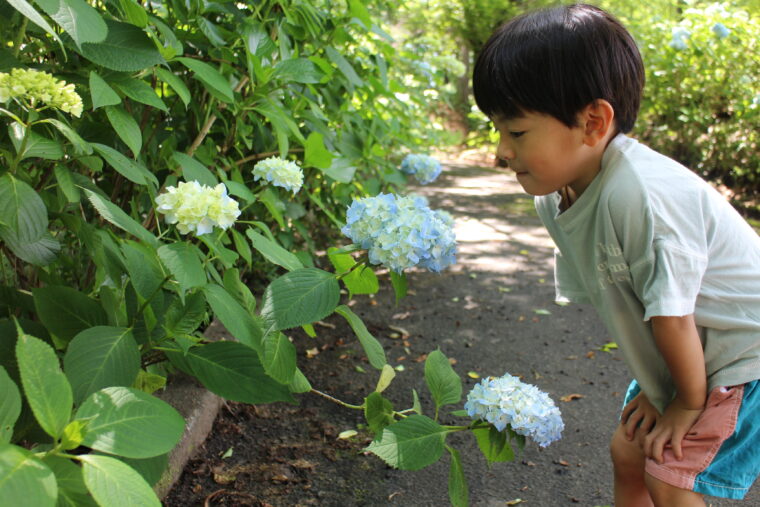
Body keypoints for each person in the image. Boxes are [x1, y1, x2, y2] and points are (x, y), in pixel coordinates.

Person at [472, 4, 760, 506]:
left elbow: (673, 316)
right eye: (496, 129)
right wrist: (657, 388)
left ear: (592, 122)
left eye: (516, 132)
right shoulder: (555, 199)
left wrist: (685, 403)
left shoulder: (641, 195)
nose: (501, 150)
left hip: (742, 358)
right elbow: (629, 306)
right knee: (628, 454)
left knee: (670, 478)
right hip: (690, 360)